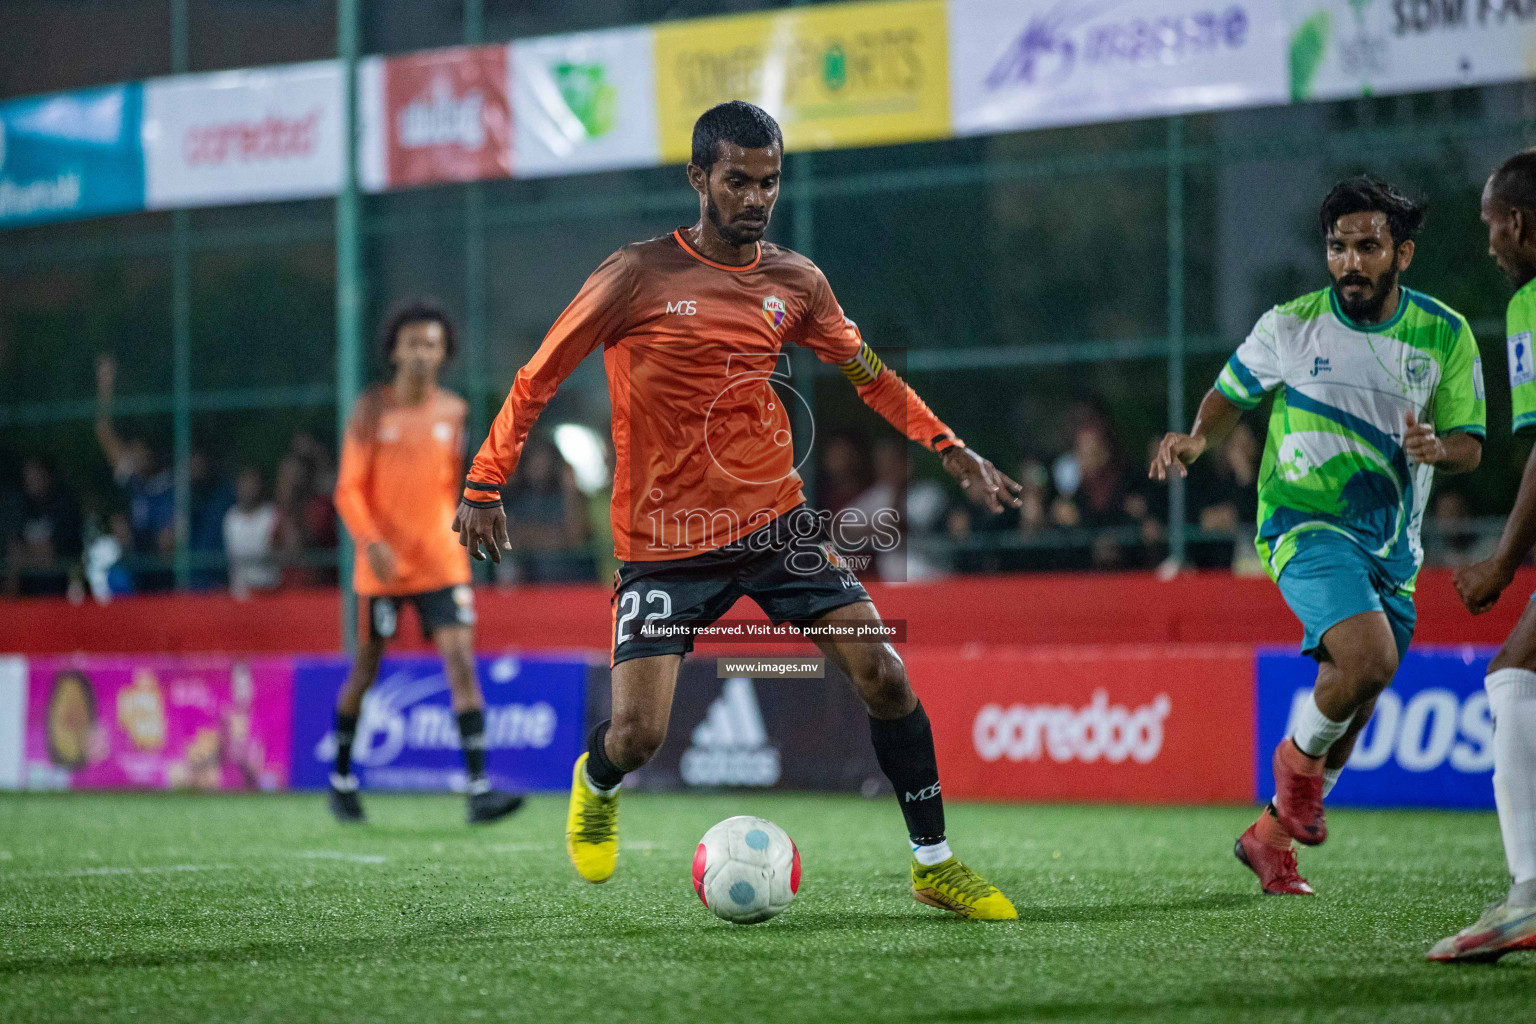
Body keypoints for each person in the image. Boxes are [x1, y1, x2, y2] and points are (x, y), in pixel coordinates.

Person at [455, 102, 1023, 920]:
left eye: (769, 182)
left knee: (885, 676)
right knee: (639, 736)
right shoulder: (635, 275)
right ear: (698, 179)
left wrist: (950, 446)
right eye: (738, 181)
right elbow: (537, 376)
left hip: (775, 523)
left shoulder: (797, 283)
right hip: (664, 541)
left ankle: (933, 862)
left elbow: (869, 374)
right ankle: (597, 779)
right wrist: (484, 482)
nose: (756, 199)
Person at [1150, 177, 1485, 896]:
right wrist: (1198, 437)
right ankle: (1296, 775)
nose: (1350, 262)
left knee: (1362, 686)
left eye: (1368, 246)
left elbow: (1472, 444)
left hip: (1391, 546)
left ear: (1403, 254)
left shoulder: (1445, 333)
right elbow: (1230, 391)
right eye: (1338, 247)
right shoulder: (1291, 325)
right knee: (1366, 659)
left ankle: (1269, 838)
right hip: (1301, 523)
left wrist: (1439, 450)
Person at [328, 303, 523, 826]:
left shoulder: (455, 412)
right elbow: (347, 488)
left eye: (431, 344)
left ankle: (480, 789)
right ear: (393, 350)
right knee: (366, 671)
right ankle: (342, 779)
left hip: (441, 562)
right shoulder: (371, 411)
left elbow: (457, 485)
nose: (420, 353)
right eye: (411, 343)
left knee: (461, 665)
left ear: (443, 354)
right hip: (383, 568)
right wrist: (369, 541)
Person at [1431, 150, 1536, 962]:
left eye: (1491, 225)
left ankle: (1530, 895)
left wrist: (1500, 564)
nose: (1490, 242)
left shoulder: (1532, 303)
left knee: (1515, 673)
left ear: (1520, 223)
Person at [223, 466, 279, 598]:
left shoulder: (272, 514)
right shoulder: (230, 518)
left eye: (253, 483)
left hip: (269, 592)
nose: (249, 488)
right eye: (245, 483)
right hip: (241, 595)